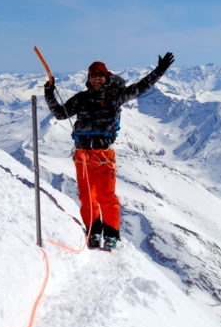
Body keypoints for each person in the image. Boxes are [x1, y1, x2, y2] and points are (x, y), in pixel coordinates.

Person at [44, 52, 175, 250]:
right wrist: (49, 93)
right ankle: (93, 232)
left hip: (103, 155)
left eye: (100, 74)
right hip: (82, 155)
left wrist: (160, 70)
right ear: (88, 78)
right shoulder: (81, 98)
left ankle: (111, 235)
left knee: (107, 197)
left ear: (106, 76)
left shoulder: (116, 96)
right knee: (87, 197)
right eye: (93, 74)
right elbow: (60, 114)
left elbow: (141, 87)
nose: (97, 77)